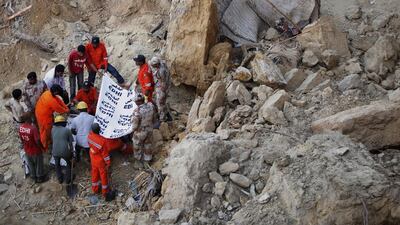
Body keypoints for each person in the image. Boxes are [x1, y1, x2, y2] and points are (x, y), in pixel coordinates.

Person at [35, 85, 69, 151]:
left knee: (47, 129)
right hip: (44, 117)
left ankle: (49, 140)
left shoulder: (47, 92)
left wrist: (66, 107)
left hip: (39, 111)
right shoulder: (51, 100)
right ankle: (45, 147)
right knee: (45, 131)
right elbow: (59, 109)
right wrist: (66, 110)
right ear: (55, 92)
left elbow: (59, 100)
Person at [88, 123, 115, 201]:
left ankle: (95, 189)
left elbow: (90, 146)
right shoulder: (102, 141)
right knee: (103, 176)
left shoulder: (89, 136)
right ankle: (105, 192)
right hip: (100, 162)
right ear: (99, 130)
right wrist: (108, 163)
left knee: (94, 174)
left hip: (93, 159)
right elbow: (105, 155)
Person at [19, 114, 46, 183]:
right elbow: (37, 140)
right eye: (31, 118)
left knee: (31, 164)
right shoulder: (33, 128)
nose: (32, 119)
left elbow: (21, 139)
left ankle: (33, 177)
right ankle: (40, 177)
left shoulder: (21, 128)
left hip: (27, 149)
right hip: (35, 150)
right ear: (28, 119)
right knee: (38, 164)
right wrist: (42, 147)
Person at [131, 94, 156, 162]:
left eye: (135, 101)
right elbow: (154, 118)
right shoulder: (151, 106)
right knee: (148, 144)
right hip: (150, 129)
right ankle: (148, 159)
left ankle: (138, 160)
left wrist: (133, 130)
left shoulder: (137, 111)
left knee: (137, 146)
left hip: (140, 132)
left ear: (138, 102)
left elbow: (134, 126)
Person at [51, 115, 75, 184]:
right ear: (62, 123)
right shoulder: (67, 130)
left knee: (57, 164)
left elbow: (53, 139)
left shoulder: (52, 129)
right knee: (68, 163)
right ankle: (68, 179)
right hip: (64, 151)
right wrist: (72, 152)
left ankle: (60, 179)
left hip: (55, 150)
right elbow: (71, 143)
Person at [150, 56, 171, 122]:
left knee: (160, 103)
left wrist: (162, 92)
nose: (152, 66)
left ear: (157, 64)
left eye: (153, 65)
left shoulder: (161, 71)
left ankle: (162, 119)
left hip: (163, 88)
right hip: (164, 84)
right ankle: (168, 115)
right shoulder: (162, 63)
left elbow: (163, 83)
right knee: (163, 103)